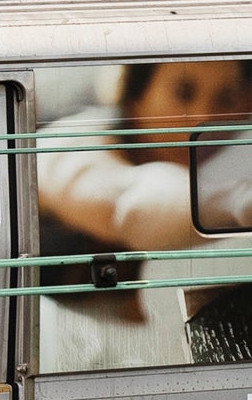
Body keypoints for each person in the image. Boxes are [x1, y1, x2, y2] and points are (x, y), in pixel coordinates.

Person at [37, 59, 252, 371]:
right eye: (183, 92)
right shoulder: (69, 148)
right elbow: (128, 204)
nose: (205, 117)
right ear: (136, 96)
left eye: (225, 98)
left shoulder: (216, 163)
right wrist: (238, 203)